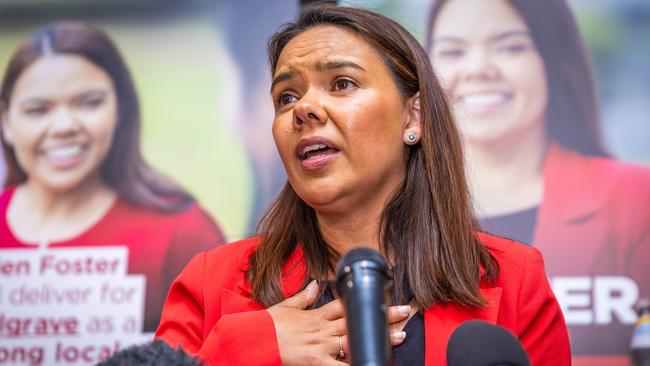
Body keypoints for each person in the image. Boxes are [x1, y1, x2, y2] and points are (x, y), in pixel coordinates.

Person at [156, 4, 570, 365]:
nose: (304, 109)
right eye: (286, 97)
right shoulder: (212, 282)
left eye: (342, 84)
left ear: (414, 118)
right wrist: (249, 349)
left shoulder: (515, 281)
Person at [426, 0, 650, 358]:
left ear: (552, 59)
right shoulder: (396, 210)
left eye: (510, 47)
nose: (478, 69)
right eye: (452, 51)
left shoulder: (637, 199)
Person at [0, 21, 225, 331]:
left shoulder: (182, 233)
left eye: (89, 103)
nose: (64, 126)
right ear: (6, 122)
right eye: (38, 110)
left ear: (120, 110)